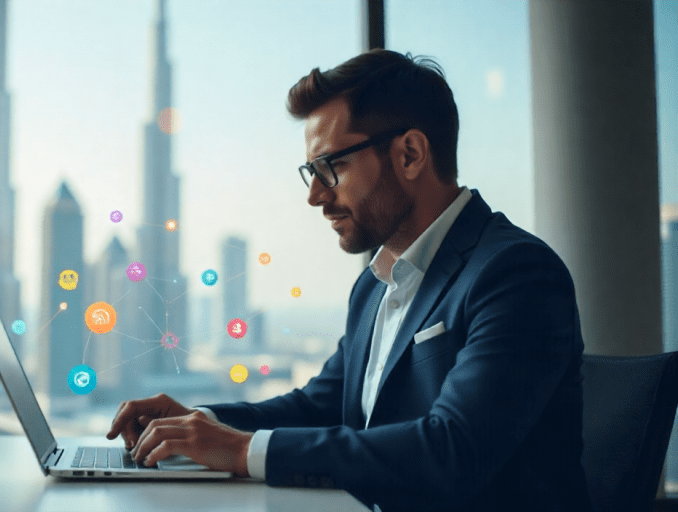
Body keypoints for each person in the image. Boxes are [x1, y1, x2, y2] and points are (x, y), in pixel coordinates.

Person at [106, 49, 591, 512]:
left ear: (410, 155)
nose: (315, 195)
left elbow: (452, 450)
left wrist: (243, 451)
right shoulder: (374, 286)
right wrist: (199, 424)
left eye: (332, 166)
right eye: (311, 172)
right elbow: (320, 406)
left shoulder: (516, 274)